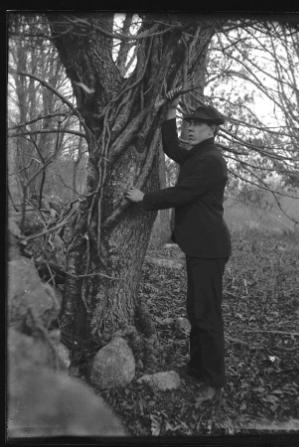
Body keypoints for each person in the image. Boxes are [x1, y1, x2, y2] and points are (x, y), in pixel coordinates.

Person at [126, 90, 231, 403]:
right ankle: (197, 368)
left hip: (210, 247)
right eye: (190, 123)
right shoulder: (198, 154)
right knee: (196, 311)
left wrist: (145, 199)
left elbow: (181, 193)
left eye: (198, 125)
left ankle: (213, 381)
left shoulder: (211, 161)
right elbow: (171, 146)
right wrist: (170, 112)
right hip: (202, 246)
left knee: (207, 315)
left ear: (212, 130)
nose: (191, 128)